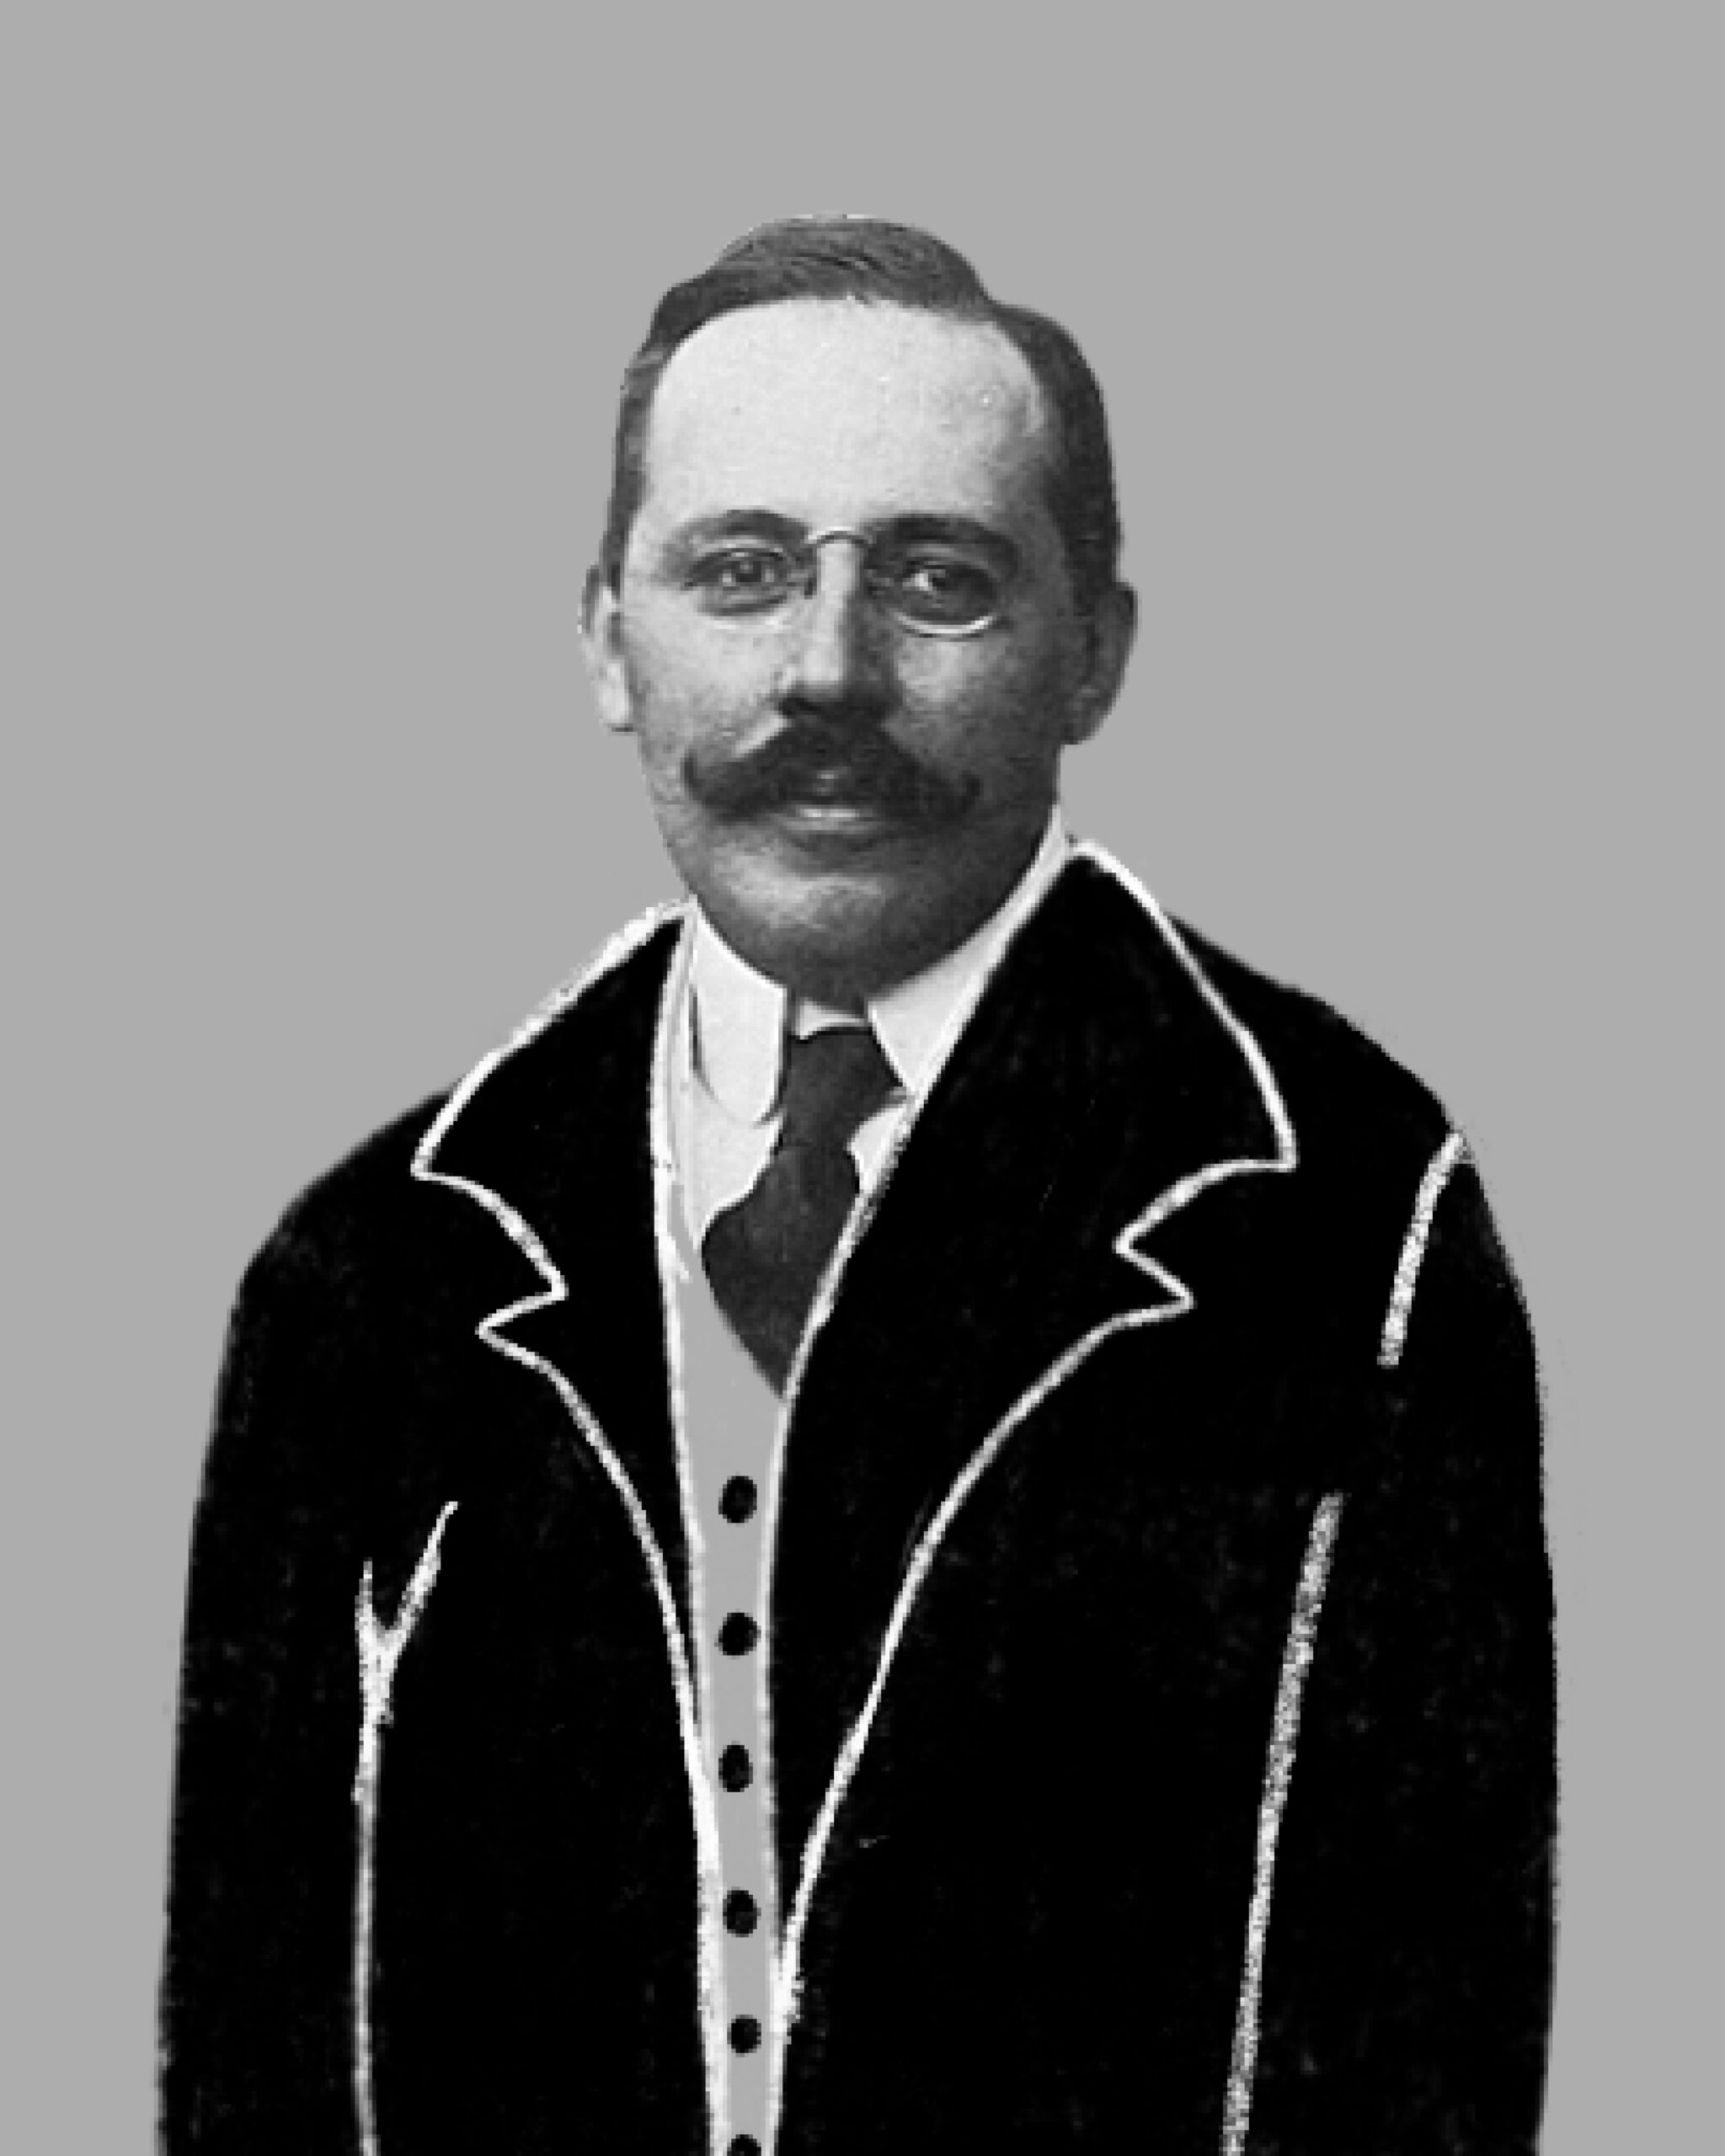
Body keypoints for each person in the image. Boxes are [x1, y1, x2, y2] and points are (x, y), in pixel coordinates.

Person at [159, 219, 1556, 2155]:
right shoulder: (379, 1255)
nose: (828, 668)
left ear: (1095, 652)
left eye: (937, 579)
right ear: (606, 639)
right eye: (740, 571)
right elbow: (256, 2031)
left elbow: (1424, 2018)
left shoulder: (1338, 1209)